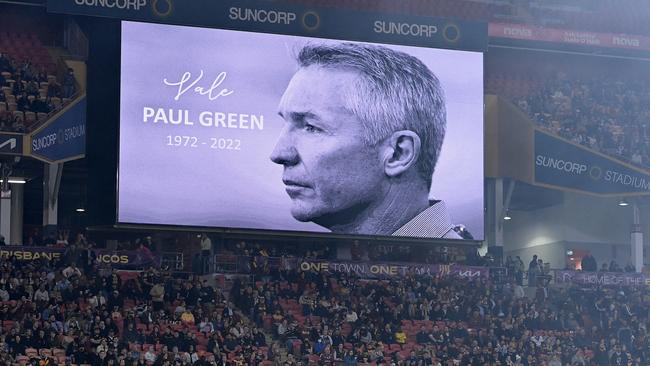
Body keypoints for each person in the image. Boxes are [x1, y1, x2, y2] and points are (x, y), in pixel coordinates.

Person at [270, 42, 460, 238]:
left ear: (398, 153)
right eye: (285, 123)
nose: (278, 153)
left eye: (311, 127)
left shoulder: (453, 268)